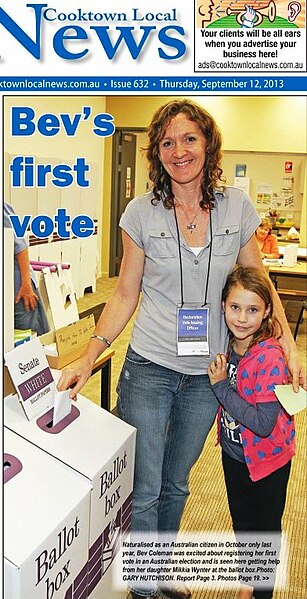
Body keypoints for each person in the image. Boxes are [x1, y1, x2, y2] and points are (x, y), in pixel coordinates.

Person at [57, 100, 305, 599]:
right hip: (149, 366)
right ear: (157, 154)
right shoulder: (140, 212)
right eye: (167, 142)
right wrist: (89, 354)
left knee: (177, 484)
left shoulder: (237, 206)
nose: (178, 150)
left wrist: (287, 344)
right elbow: (125, 292)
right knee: (145, 487)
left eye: (189, 138)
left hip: (211, 375)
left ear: (208, 143)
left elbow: (258, 282)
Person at [208, 266, 295, 599]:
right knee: (243, 527)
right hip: (236, 455)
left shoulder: (269, 358)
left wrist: (220, 387)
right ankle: (248, 582)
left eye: (253, 309)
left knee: (263, 533)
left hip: (268, 461)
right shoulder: (232, 344)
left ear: (267, 311)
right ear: (224, 307)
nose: (242, 318)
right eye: (235, 307)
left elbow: (262, 423)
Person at [4, 202, 50, 336]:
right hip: (6, 287)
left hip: (20, 286)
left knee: (29, 335)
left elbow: (20, 245)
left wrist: (26, 285)